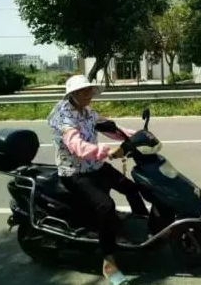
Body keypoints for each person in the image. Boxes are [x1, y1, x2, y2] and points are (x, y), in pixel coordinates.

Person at [47, 75, 149, 285]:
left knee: (131, 187)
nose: (89, 94)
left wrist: (136, 137)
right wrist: (107, 151)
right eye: (85, 91)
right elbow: (76, 145)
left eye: (90, 90)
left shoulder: (87, 111)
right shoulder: (64, 116)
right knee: (105, 206)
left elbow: (107, 126)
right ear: (73, 94)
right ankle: (108, 261)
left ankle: (144, 228)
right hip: (74, 172)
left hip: (95, 166)